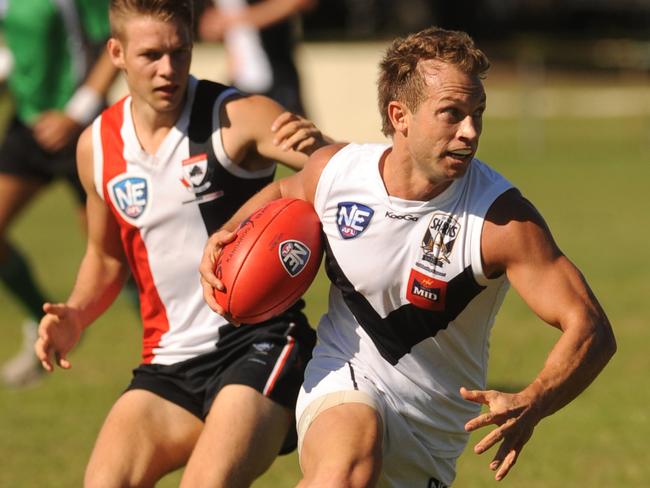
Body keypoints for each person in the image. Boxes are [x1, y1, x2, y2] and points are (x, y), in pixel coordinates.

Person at [200, 26, 617, 487]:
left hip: (430, 439)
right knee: (344, 467)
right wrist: (226, 235)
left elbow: (591, 327)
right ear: (400, 116)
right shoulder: (336, 173)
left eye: (477, 113)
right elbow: (284, 190)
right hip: (344, 378)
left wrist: (535, 398)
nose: (470, 131)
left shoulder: (502, 222)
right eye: (451, 114)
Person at [34, 0, 331, 486]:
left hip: (261, 343)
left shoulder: (237, 115)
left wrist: (322, 146)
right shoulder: (98, 147)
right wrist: (76, 314)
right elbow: (105, 257)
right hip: (168, 362)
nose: (168, 69)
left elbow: (338, 170)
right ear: (116, 53)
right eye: (151, 55)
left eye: (181, 51)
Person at [0, 0, 118, 387]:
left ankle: (178, 351)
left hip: (82, 128)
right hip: (28, 125)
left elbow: (114, 41)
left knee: (116, 252)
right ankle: (45, 321)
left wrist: (76, 112)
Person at [197, 0, 317, 115]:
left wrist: (241, 19)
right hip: (239, 82)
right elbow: (211, 26)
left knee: (294, 132)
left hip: (278, 79)